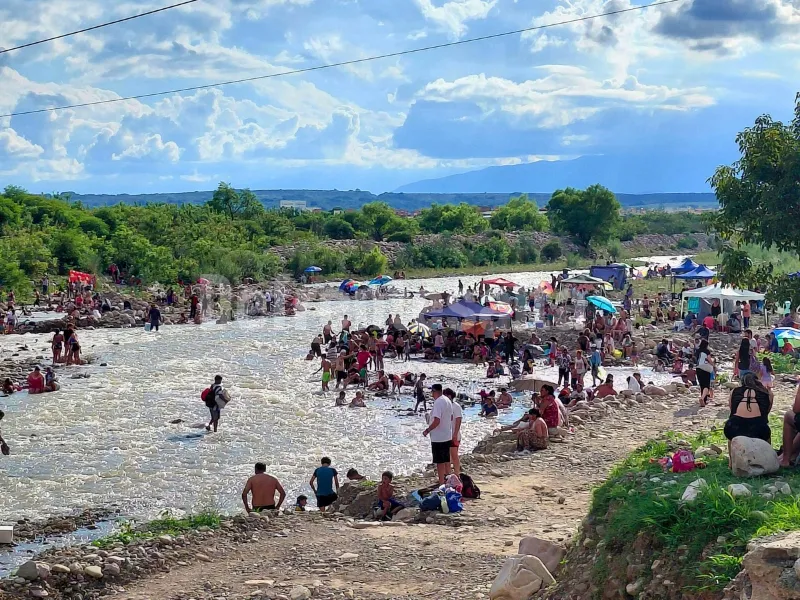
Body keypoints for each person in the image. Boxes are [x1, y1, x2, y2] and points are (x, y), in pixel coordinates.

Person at [724, 373, 772, 460]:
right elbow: (766, 412)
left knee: (731, 434)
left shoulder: (734, 391)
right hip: (759, 430)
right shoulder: (766, 393)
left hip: (735, 429)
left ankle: (731, 461)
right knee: (766, 431)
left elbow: (732, 410)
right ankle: (768, 458)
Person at [422, 383, 453, 484]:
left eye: (432, 392)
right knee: (446, 460)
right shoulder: (447, 400)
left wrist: (428, 430)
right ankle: (448, 479)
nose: (431, 394)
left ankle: (441, 482)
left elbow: (437, 421)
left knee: (440, 462)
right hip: (447, 434)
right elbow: (451, 417)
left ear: (435, 391)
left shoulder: (438, 402)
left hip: (439, 437)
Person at [444, 388, 462, 475]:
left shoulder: (456, 406)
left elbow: (458, 420)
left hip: (454, 435)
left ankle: (457, 474)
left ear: (449, 396)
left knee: (454, 456)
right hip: (446, 435)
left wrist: (455, 434)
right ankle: (448, 475)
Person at [696, 340, 715, 407]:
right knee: (706, 385)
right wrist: (714, 365)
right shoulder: (707, 351)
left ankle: (703, 400)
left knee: (701, 385)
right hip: (705, 369)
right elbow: (709, 360)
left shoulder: (697, 351)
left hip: (698, 368)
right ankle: (702, 398)